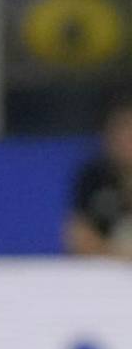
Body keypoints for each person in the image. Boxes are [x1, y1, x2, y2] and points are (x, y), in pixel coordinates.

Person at [65, 92, 132, 259]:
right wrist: (118, 257)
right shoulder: (94, 177)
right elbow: (79, 237)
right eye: (121, 130)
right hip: (106, 267)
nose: (127, 139)